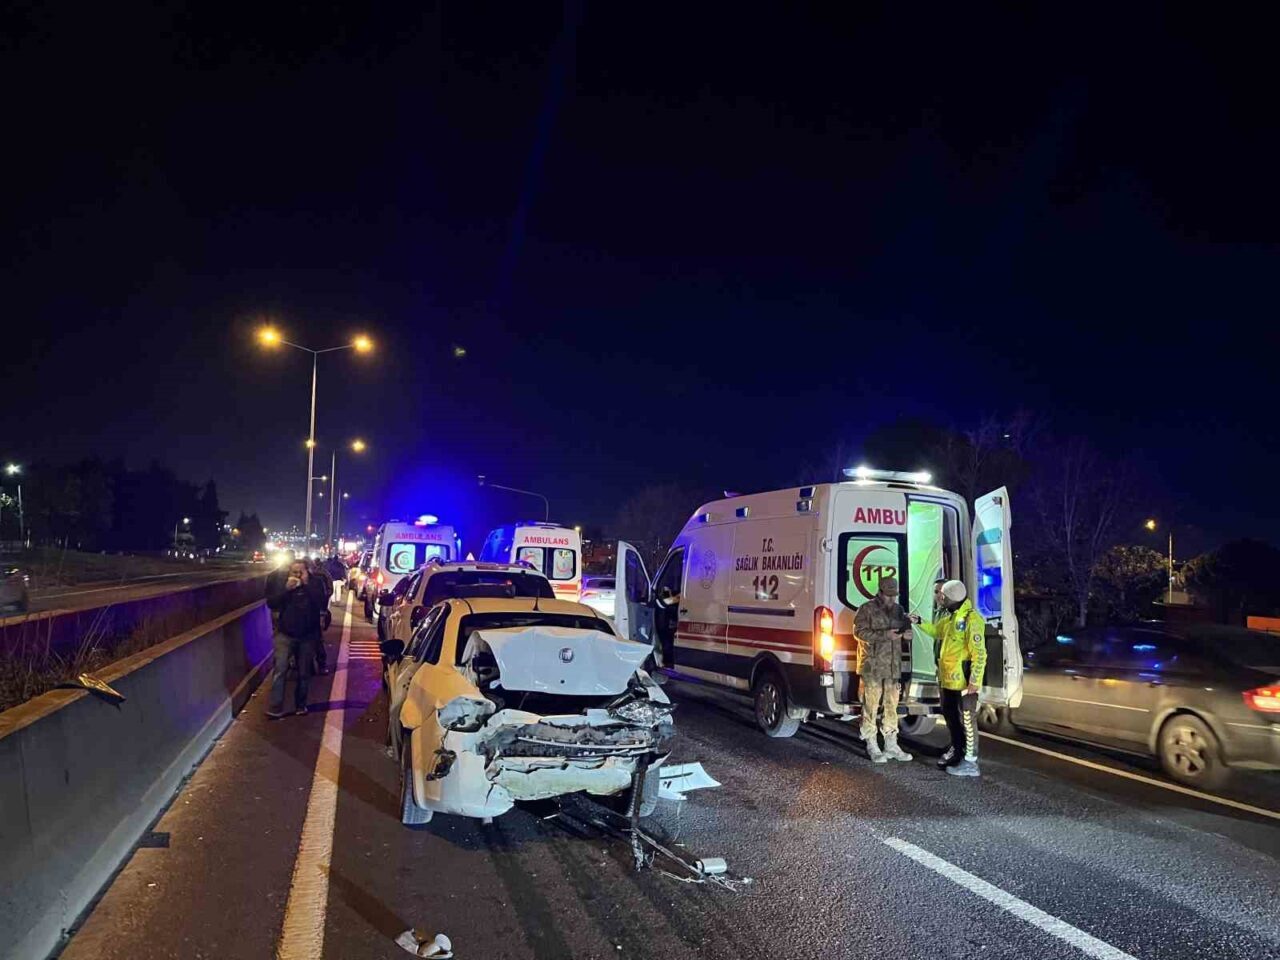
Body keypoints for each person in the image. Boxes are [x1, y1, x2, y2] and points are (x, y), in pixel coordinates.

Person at [910, 579, 986, 777]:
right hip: (948, 680)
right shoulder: (951, 618)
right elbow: (937, 632)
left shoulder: (971, 619)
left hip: (964, 682)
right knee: (952, 718)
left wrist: (974, 681)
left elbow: (980, 654)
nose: (939, 598)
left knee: (967, 721)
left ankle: (970, 762)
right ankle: (957, 752)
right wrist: (920, 622)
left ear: (950, 597)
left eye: (942, 595)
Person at [853, 575, 913, 763]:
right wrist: (885, 635)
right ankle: (871, 742)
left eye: (894, 595)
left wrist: (907, 635)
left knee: (891, 705)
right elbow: (859, 633)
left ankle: (891, 744)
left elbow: (904, 630)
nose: (892, 599)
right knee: (870, 705)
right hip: (872, 666)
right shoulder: (866, 609)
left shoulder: (898, 610)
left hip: (893, 667)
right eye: (888, 595)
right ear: (879, 592)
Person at [265, 558, 328, 718]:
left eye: (301, 572)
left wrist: (307, 585)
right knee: (280, 670)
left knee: (304, 672)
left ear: (308, 571)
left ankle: (301, 704)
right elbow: (271, 602)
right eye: (295, 572)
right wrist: (286, 589)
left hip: (308, 635)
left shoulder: (316, 583)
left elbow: (321, 602)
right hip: (285, 633)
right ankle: (275, 707)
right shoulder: (283, 582)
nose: (298, 575)